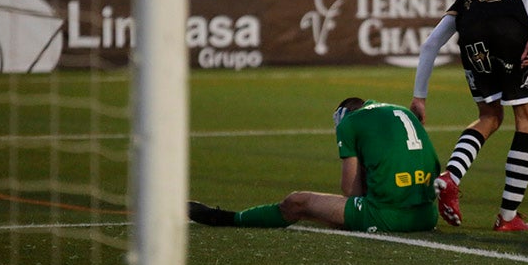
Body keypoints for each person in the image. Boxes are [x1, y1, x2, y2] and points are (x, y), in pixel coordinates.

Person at [411, 0, 528, 231]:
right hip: (510, 30)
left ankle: (451, 176)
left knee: (490, 116)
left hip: (471, 36)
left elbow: (431, 43)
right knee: (526, 121)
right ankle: (507, 216)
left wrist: (420, 96)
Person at [189, 98, 441, 232]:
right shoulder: (400, 112)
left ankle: (227, 219)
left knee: (298, 203)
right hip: (427, 215)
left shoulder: (349, 123)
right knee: (330, 213)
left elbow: (349, 191)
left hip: (389, 217)